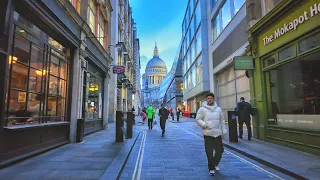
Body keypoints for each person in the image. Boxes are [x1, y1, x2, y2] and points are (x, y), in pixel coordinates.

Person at [196, 92, 227, 176]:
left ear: (213, 99)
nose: (209, 100)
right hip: (208, 133)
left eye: (211, 98)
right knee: (209, 152)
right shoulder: (202, 109)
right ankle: (211, 168)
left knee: (220, 151)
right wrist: (204, 124)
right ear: (206, 99)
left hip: (217, 133)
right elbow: (198, 119)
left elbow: (222, 120)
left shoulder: (219, 109)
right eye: (208, 98)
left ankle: (215, 162)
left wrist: (223, 129)